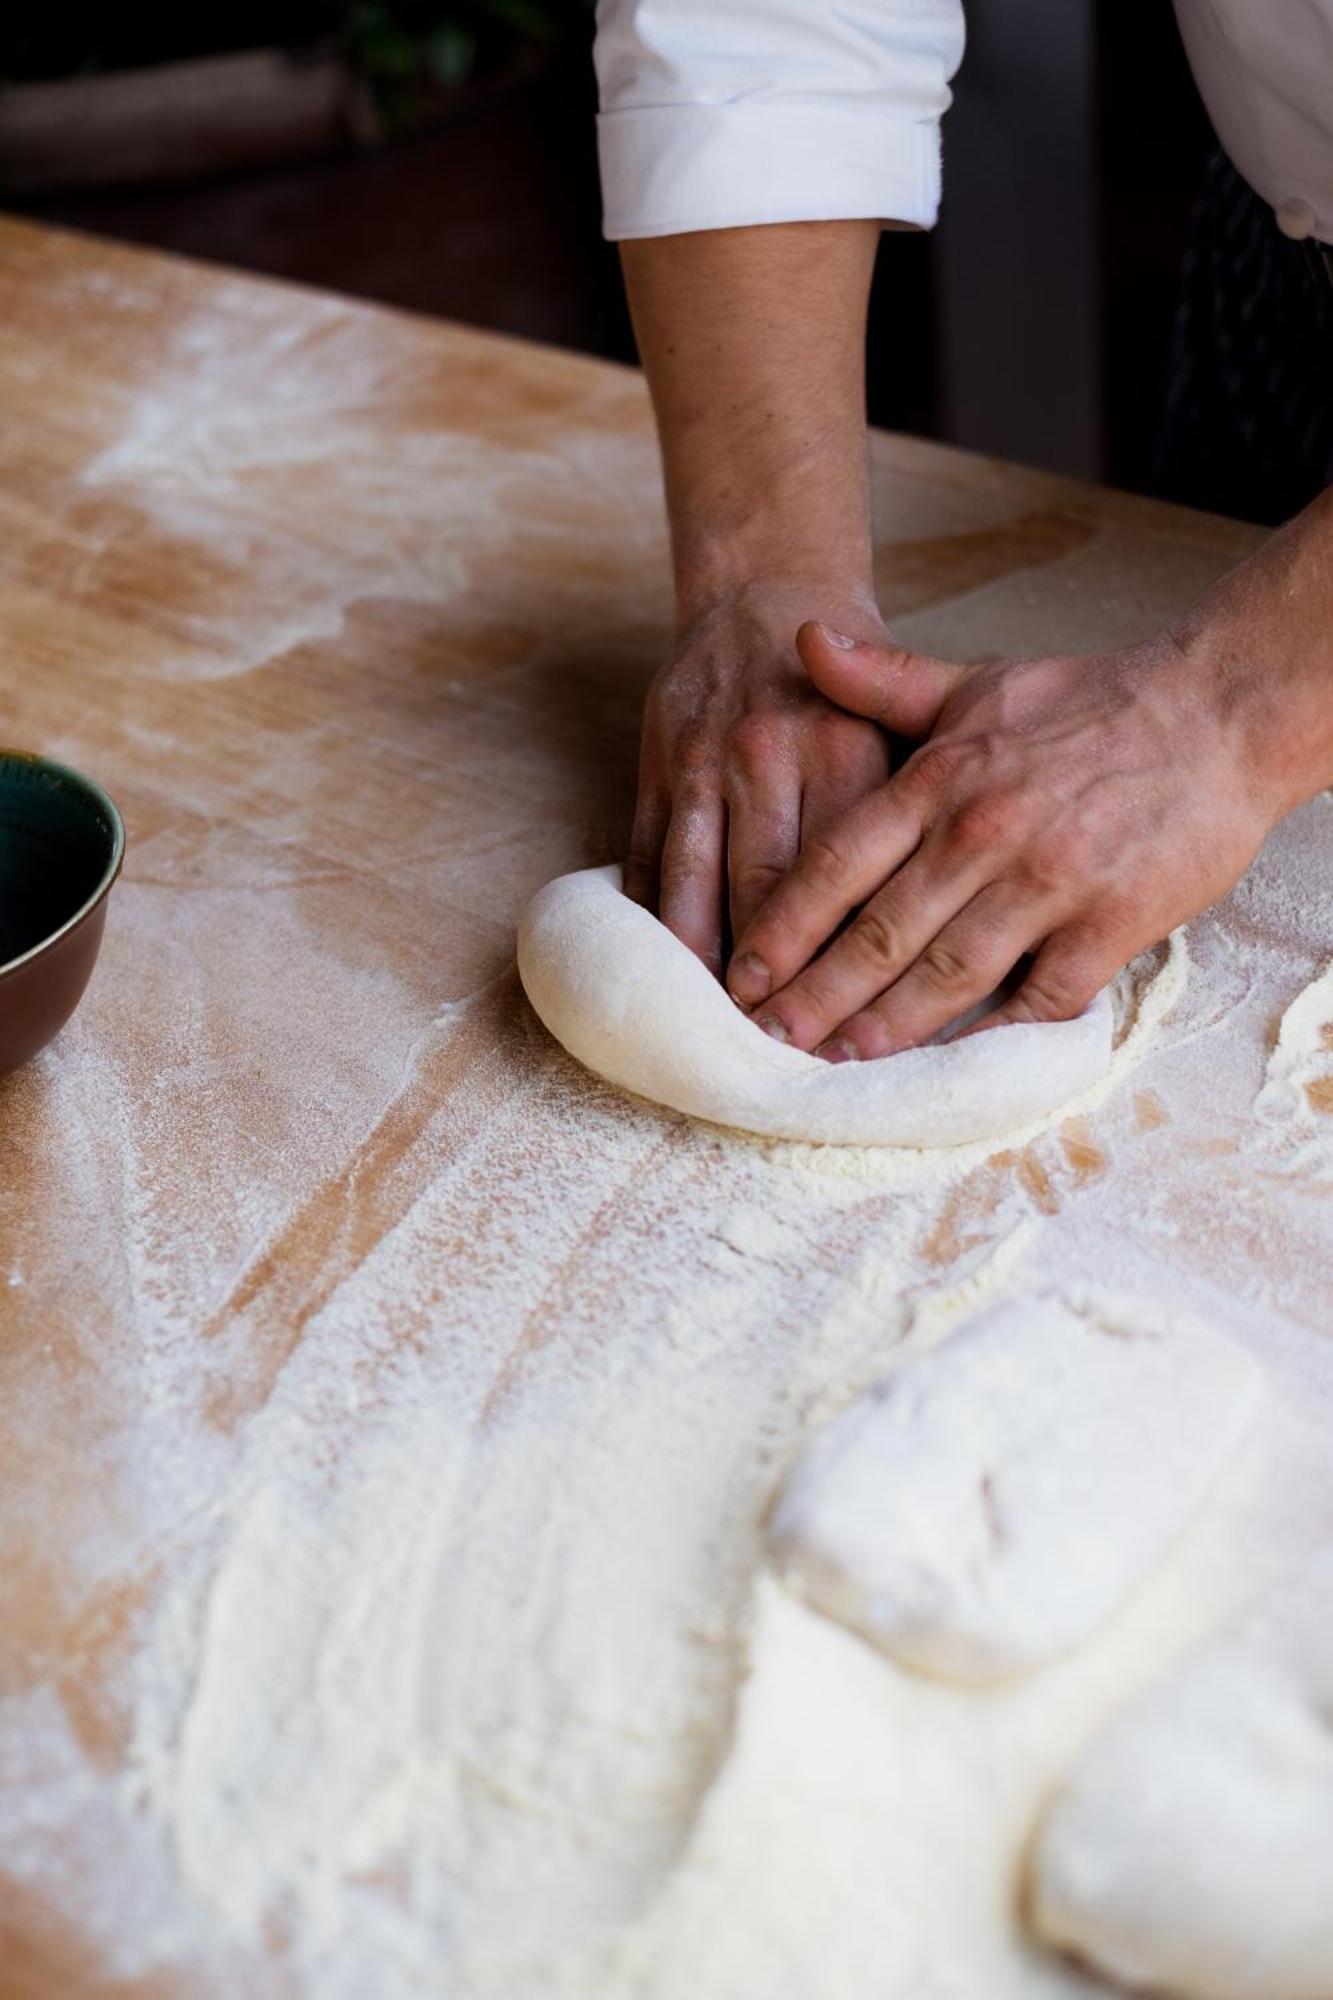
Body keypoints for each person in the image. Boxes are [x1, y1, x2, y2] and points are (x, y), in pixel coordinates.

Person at [591, 1, 1333, 1061]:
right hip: (1292, 257)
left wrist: (1230, 709)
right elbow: (768, 22)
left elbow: (1224, 712)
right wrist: (767, 578)